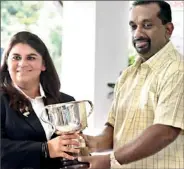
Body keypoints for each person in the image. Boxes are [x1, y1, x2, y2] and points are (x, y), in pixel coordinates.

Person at [78, 1, 184, 168]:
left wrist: (108, 161)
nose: (138, 33)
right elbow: (113, 130)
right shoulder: (127, 75)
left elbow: (165, 132)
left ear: (168, 30)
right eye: (133, 26)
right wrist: (92, 143)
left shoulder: (178, 71)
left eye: (147, 25)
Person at [0, 31, 81, 169]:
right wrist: (45, 148)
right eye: (16, 57)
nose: (22, 63)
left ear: (43, 64)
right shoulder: (2, 101)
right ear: (7, 63)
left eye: (31, 58)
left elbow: (75, 150)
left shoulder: (65, 101)